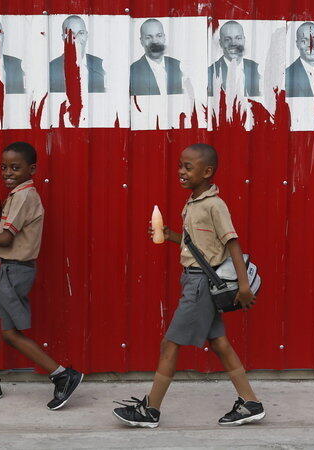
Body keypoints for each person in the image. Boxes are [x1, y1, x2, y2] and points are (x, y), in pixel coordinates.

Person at [112, 143, 265, 428]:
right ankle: (250, 403)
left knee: (170, 343)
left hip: (200, 285)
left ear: (207, 172)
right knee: (219, 343)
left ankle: (150, 410)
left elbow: (232, 243)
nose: (181, 171)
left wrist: (244, 287)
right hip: (196, 280)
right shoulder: (194, 202)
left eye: (188, 167)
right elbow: (201, 245)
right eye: (180, 166)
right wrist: (170, 235)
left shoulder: (214, 205)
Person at [0, 142, 83, 411]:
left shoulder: (24, 196)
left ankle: (62, 375)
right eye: (4, 167)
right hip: (7, 269)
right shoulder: (16, 195)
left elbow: (6, 238)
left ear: (31, 170)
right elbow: (13, 228)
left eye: (15, 167)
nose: (7, 173)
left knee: (11, 334)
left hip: (16, 270)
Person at [49, 15, 106, 93]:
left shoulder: (101, 66)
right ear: (63, 38)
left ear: (86, 35)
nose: (76, 39)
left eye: (81, 33)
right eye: (71, 34)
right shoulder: (51, 69)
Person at [129, 19, 183, 96]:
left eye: (159, 36)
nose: (155, 41)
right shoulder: (132, 71)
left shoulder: (178, 66)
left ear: (164, 37)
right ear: (141, 41)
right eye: (148, 37)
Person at [207, 21, 260, 97]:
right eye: (227, 39)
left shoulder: (257, 69)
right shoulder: (210, 73)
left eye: (238, 38)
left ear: (244, 40)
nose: (233, 43)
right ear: (221, 43)